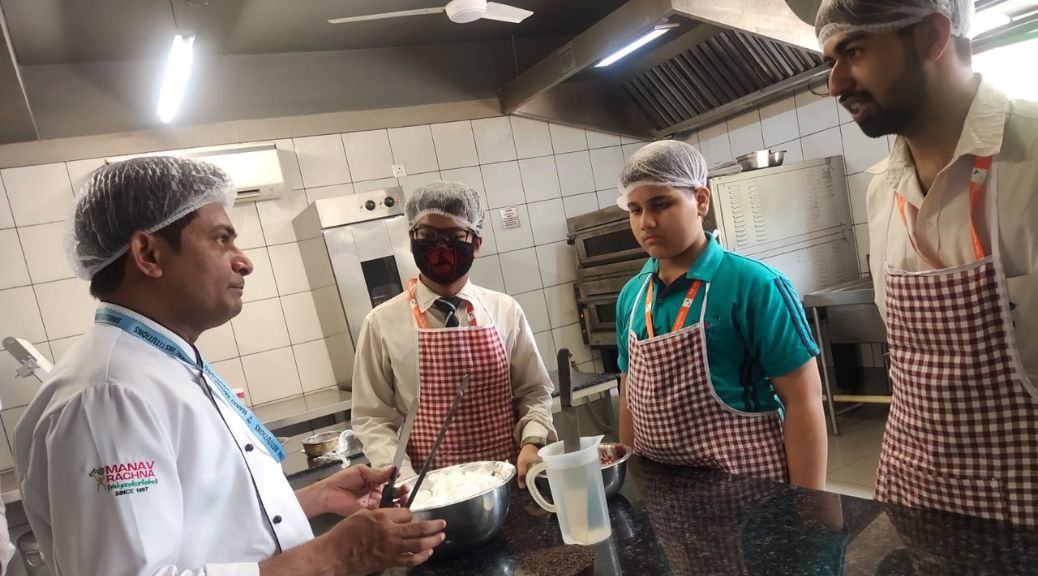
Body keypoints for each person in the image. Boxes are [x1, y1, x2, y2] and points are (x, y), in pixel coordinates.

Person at [13, 156, 445, 575]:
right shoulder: (108, 397)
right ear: (148, 254)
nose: (244, 261)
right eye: (222, 239)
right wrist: (334, 556)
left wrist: (318, 496)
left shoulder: (163, 361)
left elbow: (202, 522)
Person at [817, 0, 1038, 526]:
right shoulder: (881, 189)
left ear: (934, 36)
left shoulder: (1030, 159)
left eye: (854, 51)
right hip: (916, 489)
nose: (835, 82)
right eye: (829, 62)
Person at [614, 140, 827, 489]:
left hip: (749, 489)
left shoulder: (754, 285)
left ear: (700, 200)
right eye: (635, 210)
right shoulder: (632, 297)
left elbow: (803, 400)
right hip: (663, 490)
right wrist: (632, 479)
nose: (646, 222)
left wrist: (808, 506)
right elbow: (628, 395)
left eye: (661, 204)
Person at [352, 181, 556, 488]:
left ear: (476, 243)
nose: (441, 246)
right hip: (427, 491)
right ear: (411, 240)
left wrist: (533, 441)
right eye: (427, 235)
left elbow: (534, 391)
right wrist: (405, 480)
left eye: (455, 236)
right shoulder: (381, 323)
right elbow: (372, 418)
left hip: (509, 483)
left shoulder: (505, 310)